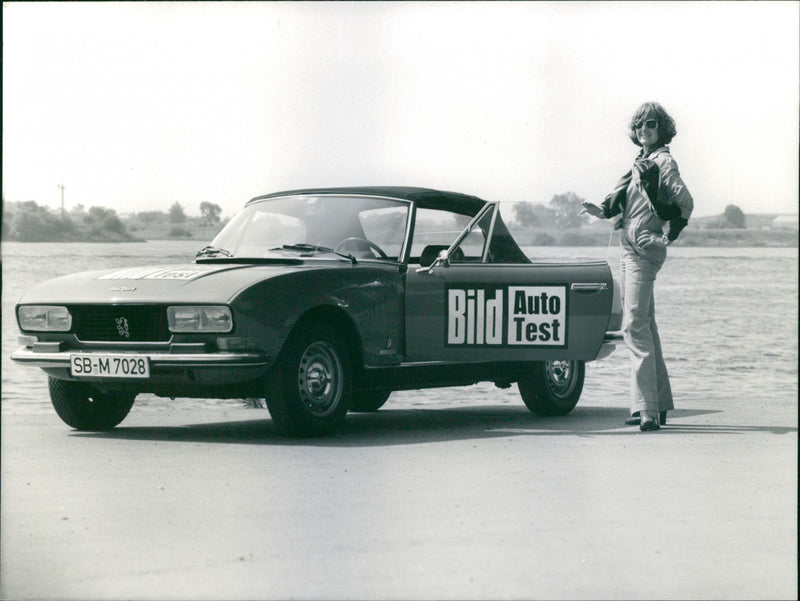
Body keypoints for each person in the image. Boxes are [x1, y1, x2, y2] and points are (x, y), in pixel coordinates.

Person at [582, 101, 693, 431]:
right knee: (646, 324)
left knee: (633, 326)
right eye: (640, 125)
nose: (644, 130)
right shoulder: (641, 163)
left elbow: (684, 202)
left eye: (651, 125)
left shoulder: (662, 162)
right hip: (629, 248)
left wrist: (668, 232)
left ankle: (646, 409)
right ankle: (655, 405)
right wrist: (603, 212)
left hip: (644, 248)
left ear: (662, 130)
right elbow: (633, 203)